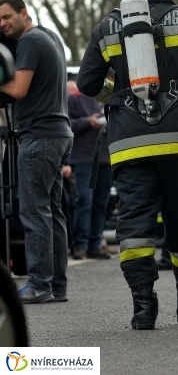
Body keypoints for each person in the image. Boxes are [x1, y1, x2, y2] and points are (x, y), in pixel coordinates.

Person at [77, 0, 178, 329]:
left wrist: (117, 95)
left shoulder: (108, 27)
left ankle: (144, 307)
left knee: (135, 224)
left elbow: (88, 85)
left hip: (129, 145)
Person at [0, 0, 73, 304]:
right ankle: (56, 285)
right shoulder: (51, 36)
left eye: (7, 17)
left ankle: (40, 284)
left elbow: (18, 89)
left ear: (23, 12)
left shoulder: (29, 41)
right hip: (59, 133)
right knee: (52, 211)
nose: (3, 24)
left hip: (40, 135)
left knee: (34, 211)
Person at [68, 79, 112, 261]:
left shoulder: (108, 98)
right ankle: (79, 244)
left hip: (105, 157)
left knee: (101, 202)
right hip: (84, 157)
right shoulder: (74, 98)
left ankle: (95, 244)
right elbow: (67, 124)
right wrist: (87, 121)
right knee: (85, 200)